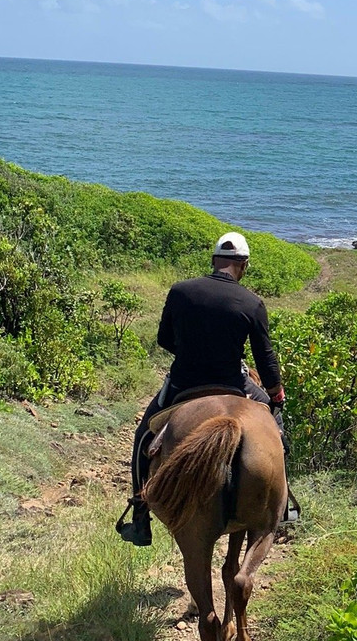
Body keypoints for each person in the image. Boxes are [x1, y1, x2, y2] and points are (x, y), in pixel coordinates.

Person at [117, 231, 291, 547]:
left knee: (143, 434)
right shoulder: (252, 303)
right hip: (234, 383)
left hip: (183, 382)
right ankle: (284, 502)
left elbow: (164, 339)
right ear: (244, 265)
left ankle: (140, 514)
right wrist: (276, 393)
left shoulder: (180, 291)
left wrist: (191, 353)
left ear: (213, 262)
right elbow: (265, 358)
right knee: (276, 430)